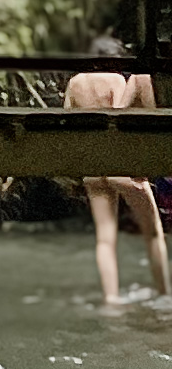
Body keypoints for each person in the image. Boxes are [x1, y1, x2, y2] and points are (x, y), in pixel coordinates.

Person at [67, 43, 169, 305]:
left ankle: (111, 298)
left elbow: (68, 121)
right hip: (121, 166)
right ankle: (163, 293)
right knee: (153, 233)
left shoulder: (75, 82)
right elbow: (123, 119)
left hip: (93, 167)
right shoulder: (117, 79)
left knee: (105, 237)